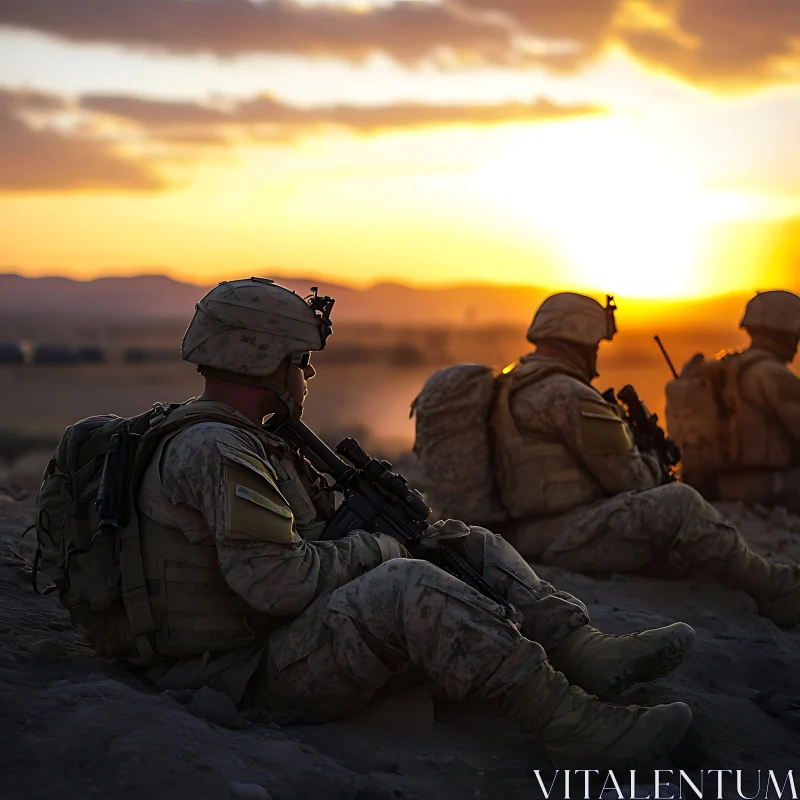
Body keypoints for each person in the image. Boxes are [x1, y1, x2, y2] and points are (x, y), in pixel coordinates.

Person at [130, 278, 695, 768]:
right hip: (239, 673)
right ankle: (573, 726)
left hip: (269, 641)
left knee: (462, 544)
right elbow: (275, 582)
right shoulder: (216, 449)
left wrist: (400, 539)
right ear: (262, 359)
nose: (307, 373)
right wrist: (376, 550)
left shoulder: (258, 439)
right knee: (405, 583)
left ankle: (583, 651)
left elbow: (306, 541)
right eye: (299, 359)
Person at [489, 292, 800, 629]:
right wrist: (653, 460)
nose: (596, 354)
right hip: (564, 534)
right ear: (581, 339)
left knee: (681, 550)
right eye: (596, 344)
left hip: (531, 532)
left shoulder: (510, 380)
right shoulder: (568, 393)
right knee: (678, 504)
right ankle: (774, 587)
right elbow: (630, 479)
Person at [665, 290, 800, 513]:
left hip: (714, 487)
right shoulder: (771, 374)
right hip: (764, 487)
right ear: (787, 331)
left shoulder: (725, 368)